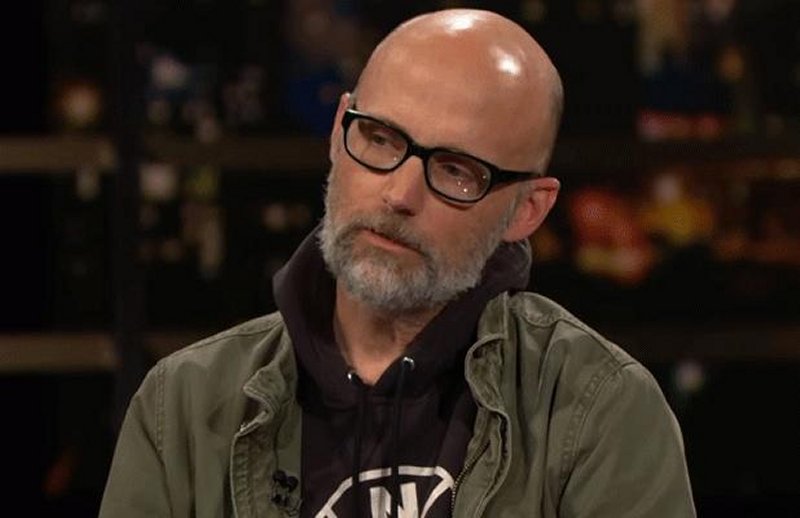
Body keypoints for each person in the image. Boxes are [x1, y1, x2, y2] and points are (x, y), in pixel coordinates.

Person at [100, 9, 695, 518]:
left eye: (457, 170)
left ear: (527, 209)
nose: (399, 194)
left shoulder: (599, 410)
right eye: (380, 139)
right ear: (338, 132)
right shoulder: (182, 407)